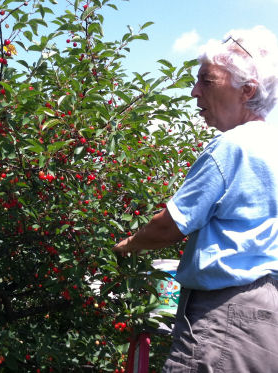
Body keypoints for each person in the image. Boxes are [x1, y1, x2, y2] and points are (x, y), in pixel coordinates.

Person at [112, 25, 278, 372]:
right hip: (266, 317)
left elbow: (169, 227)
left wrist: (126, 245)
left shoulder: (233, 146)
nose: (193, 92)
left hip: (225, 318)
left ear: (246, 90)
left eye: (207, 81)